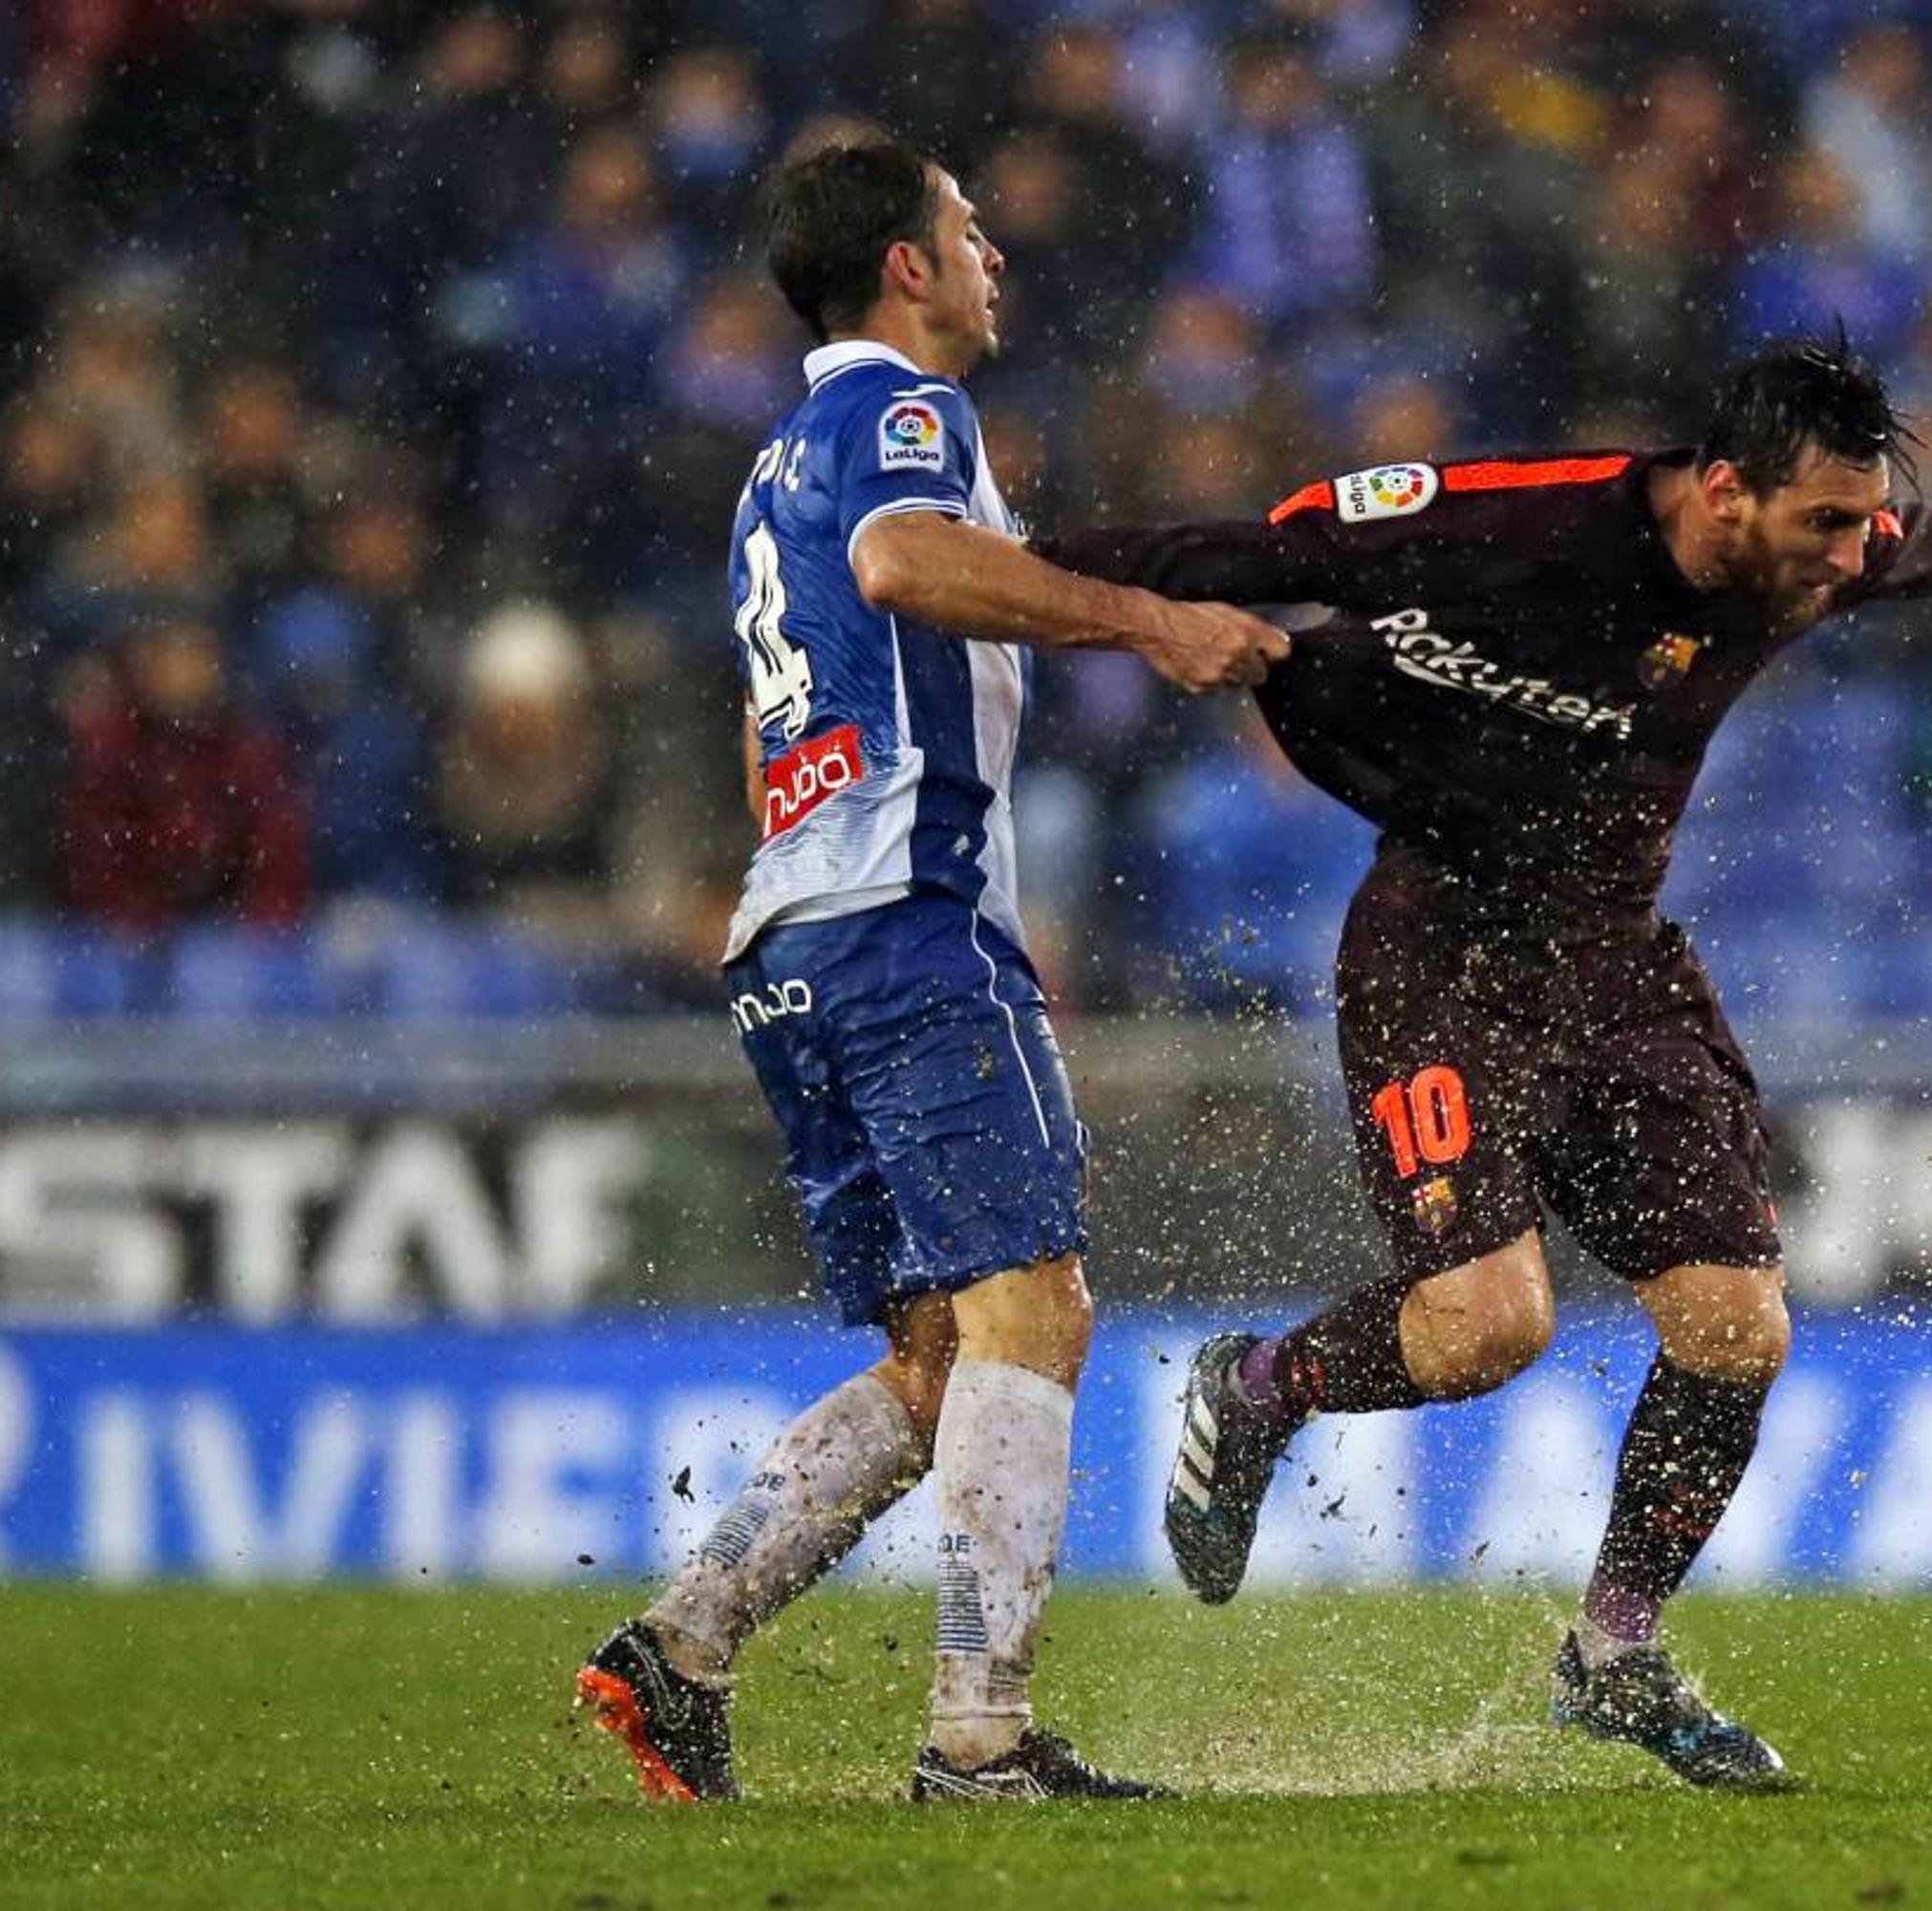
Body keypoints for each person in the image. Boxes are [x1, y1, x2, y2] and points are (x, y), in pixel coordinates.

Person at [1041, 336, 1932, 1790]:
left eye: (1861, 519)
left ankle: (1615, 1656)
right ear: (1722, 495)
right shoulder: (1522, 522)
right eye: (1826, 524)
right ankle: (1255, 1389)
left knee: (1734, 1327)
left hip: (1618, 965)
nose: (1852, 553)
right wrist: (1028, 576)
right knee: (1488, 1326)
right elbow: (1254, 549)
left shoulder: (1816, 550)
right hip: (1440, 948)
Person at [574, 134, 1288, 1807]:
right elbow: (904, 565)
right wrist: (1145, 620)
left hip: (793, 938)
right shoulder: (904, 411)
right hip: (910, 914)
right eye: (968, 230)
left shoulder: (775, 458)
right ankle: (978, 1740)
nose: (992, 257)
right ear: (904, 266)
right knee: (1034, 1312)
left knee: (939, 1358)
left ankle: (681, 1646)